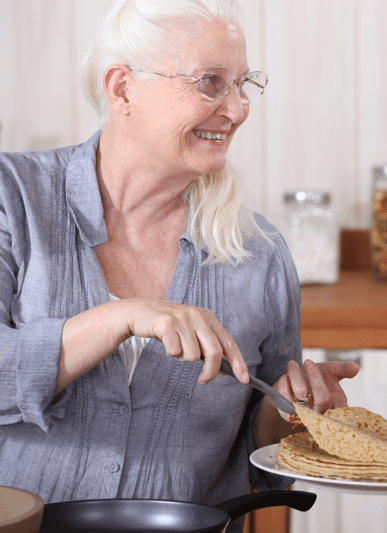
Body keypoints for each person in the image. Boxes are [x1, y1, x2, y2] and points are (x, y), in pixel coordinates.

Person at [0, 1, 356, 531]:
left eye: (244, 84)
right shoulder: (15, 198)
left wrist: (288, 409)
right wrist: (120, 317)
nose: (237, 109)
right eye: (211, 83)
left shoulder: (260, 252)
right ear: (122, 88)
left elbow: (267, 461)